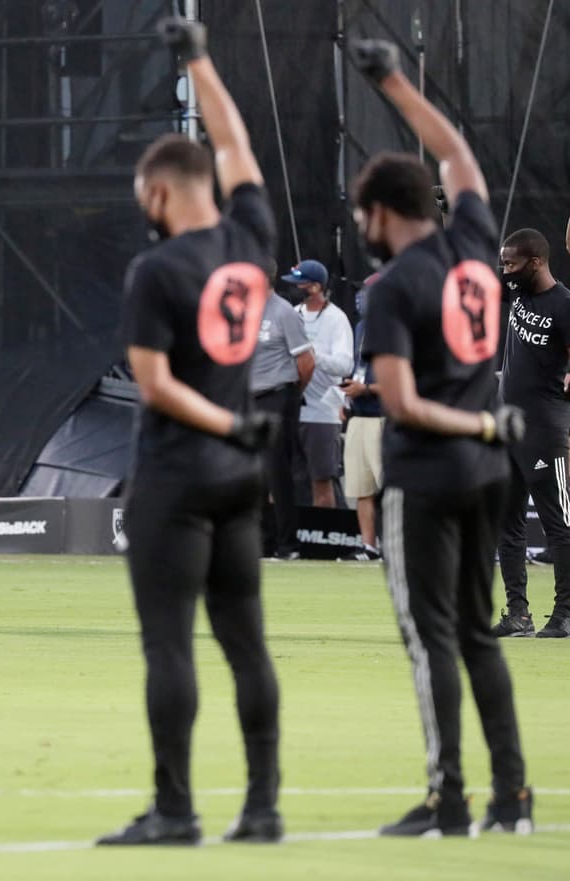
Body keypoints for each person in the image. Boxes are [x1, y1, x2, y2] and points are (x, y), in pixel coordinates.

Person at [96, 19, 283, 847]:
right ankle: (263, 806)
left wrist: (225, 421)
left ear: (162, 192)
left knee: (170, 645)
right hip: (241, 475)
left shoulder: (158, 269)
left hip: (177, 473)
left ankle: (175, 809)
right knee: (247, 642)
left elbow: (157, 383)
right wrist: (199, 57)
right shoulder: (252, 240)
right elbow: (235, 139)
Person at [353, 39, 533, 836]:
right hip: (488, 472)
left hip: (429, 473)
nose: (363, 226)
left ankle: (446, 798)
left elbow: (402, 402)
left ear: (385, 213)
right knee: (478, 634)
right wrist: (393, 80)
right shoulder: (474, 249)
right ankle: (513, 797)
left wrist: (482, 417)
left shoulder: (392, 288)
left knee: (432, 642)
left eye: (365, 214)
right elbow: (457, 151)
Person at [492, 228, 570, 638]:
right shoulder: (518, 293)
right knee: (508, 523)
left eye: (511, 263)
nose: (505, 270)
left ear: (536, 262)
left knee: (560, 525)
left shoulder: (564, 305)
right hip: (508, 428)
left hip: (545, 430)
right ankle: (518, 614)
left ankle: (566, 613)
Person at [251, 285, 314, 559]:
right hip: (250, 398)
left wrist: (292, 394)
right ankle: (263, 543)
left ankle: (288, 545)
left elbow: (307, 362)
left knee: (278, 473)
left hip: (278, 395)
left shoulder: (283, 311)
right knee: (255, 475)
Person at [283, 259, 353, 508]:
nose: (293, 288)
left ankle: (326, 538)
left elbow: (346, 365)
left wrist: (312, 355)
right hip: (292, 410)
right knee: (290, 479)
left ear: (314, 287)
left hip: (322, 413)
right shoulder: (291, 314)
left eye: (298, 283)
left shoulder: (336, 319)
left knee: (321, 481)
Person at [339, 276, 384, 561]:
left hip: (384, 416)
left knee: (390, 487)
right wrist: (347, 396)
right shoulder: (361, 327)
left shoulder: (400, 330)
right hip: (359, 414)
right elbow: (359, 368)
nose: (362, 297)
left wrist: (366, 388)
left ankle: (400, 546)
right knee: (360, 487)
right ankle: (369, 546)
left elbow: (405, 382)